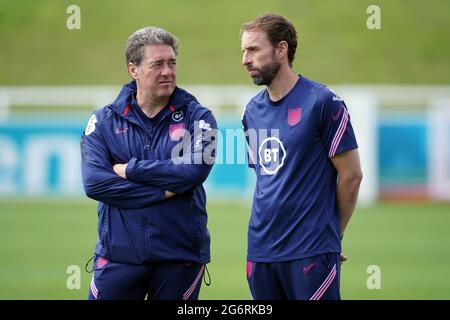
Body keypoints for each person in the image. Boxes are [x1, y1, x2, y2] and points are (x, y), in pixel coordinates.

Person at [80, 26, 217, 300]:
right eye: (157, 64)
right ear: (134, 70)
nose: (168, 71)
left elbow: (193, 171)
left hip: (180, 258)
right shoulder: (104, 121)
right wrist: (162, 190)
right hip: (118, 256)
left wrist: (130, 170)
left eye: (172, 63)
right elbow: (95, 183)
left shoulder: (200, 117)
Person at [240, 13, 363, 300]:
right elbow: (266, 180)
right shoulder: (251, 111)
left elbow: (352, 176)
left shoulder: (322, 102)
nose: (245, 60)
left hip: (310, 251)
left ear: (281, 50)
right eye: (244, 51)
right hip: (260, 253)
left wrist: (333, 235)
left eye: (254, 50)